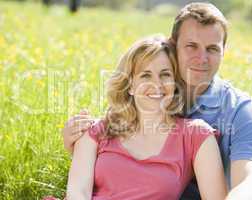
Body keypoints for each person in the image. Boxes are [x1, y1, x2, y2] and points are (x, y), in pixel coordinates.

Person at [63, 2, 252, 200]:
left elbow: (250, 182)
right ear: (173, 45)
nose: (202, 58)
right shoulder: (123, 114)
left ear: (224, 51)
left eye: (212, 49)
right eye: (191, 46)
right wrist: (78, 140)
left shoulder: (239, 111)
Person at [65, 35, 227, 199]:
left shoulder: (196, 135)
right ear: (130, 86)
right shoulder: (95, 132)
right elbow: (78, 192)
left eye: (165, 75)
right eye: (145, 75)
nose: (157, 84)